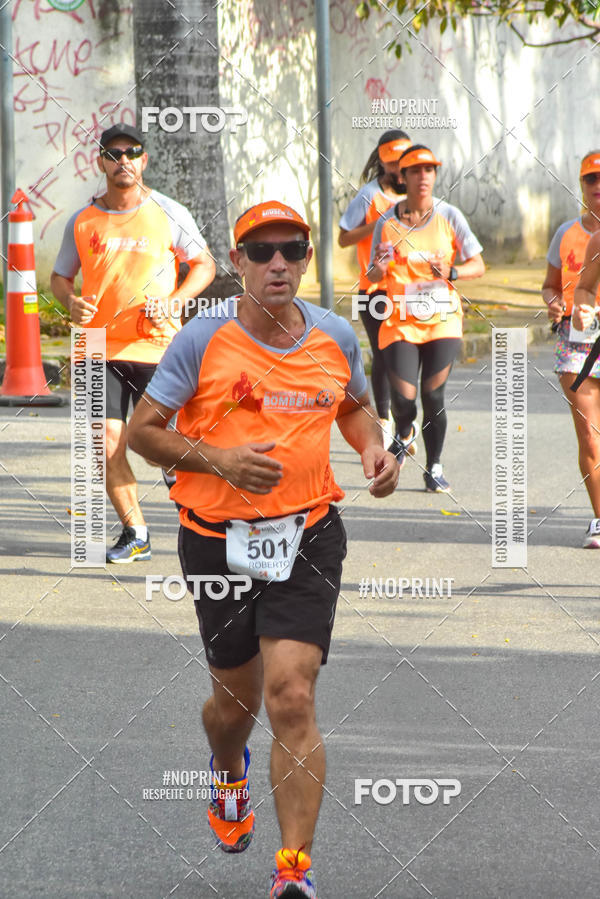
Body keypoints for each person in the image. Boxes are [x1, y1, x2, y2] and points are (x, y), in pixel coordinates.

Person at [127, 201, 399, 897]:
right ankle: (227, 769)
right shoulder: (202, 339)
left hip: (308, 532)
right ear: (238, 260)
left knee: (292, 694)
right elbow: (143, 433)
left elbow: (354, 406)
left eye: (292, 249)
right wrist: (217, 459)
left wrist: (375, 449)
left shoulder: (336, 335)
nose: (278, 262)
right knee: (233, 704)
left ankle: (293, 873)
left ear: (307, 258)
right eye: (261, 250)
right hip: (217, 542)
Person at [50, 123, 216, 563]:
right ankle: (136, 532)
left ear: (144, 160)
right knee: (104, 443)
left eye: (132, 152)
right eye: (113, 152)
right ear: (101, 161)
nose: (123, 159)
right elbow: (59, 276)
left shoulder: (168, 211)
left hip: (158, 346)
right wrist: (71, 302)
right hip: (95, 346)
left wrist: (176, 299)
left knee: (170, 445)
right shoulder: (83, 220)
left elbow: (204, 264)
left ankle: (203, 519)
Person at [368, 144, 484, 492]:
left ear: (435, 175)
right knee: (403, 400)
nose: (423, 177)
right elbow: (373, 276)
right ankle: (404, 431)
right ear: (402, 177)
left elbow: (478, 264)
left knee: (433, 396)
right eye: (415, 171)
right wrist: (379, 266)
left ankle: (434, 467)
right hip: (400, 322)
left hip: (442, 320)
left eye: (429, 170)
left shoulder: (450, 215)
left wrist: (453, 271)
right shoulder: (387, 222)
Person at [338, 130, 412, 443]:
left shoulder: (418, 194)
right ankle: (384, 420)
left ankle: (405, 422)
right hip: (374, 291)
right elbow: (343, 238)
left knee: (406, 356)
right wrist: (380, 222)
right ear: (383, 165)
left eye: (404, 162)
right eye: (394, 163)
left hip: (409, 290)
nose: (400, 169)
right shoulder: (370, 195)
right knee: (384, 356)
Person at [543, 150, 600, 548]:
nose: (598, 187)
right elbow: (558, 285)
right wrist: (568, 305)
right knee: (591, 436)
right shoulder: (570, 234)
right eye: (591, 180)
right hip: (578, 340)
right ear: (581, 185)